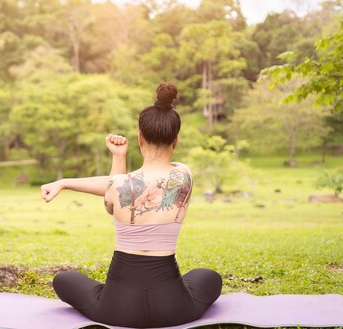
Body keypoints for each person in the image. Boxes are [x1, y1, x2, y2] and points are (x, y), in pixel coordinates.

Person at [40, 82, 222, 328]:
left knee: (64, 279)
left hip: (117, 309)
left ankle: (109, 292)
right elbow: (125, 183)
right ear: (176, 141)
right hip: (173, 308)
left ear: (139, 138)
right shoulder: (184, 176)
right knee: (209, 277)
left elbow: (113, 192)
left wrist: (71, 179)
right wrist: (67, 182)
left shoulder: (119, 185)